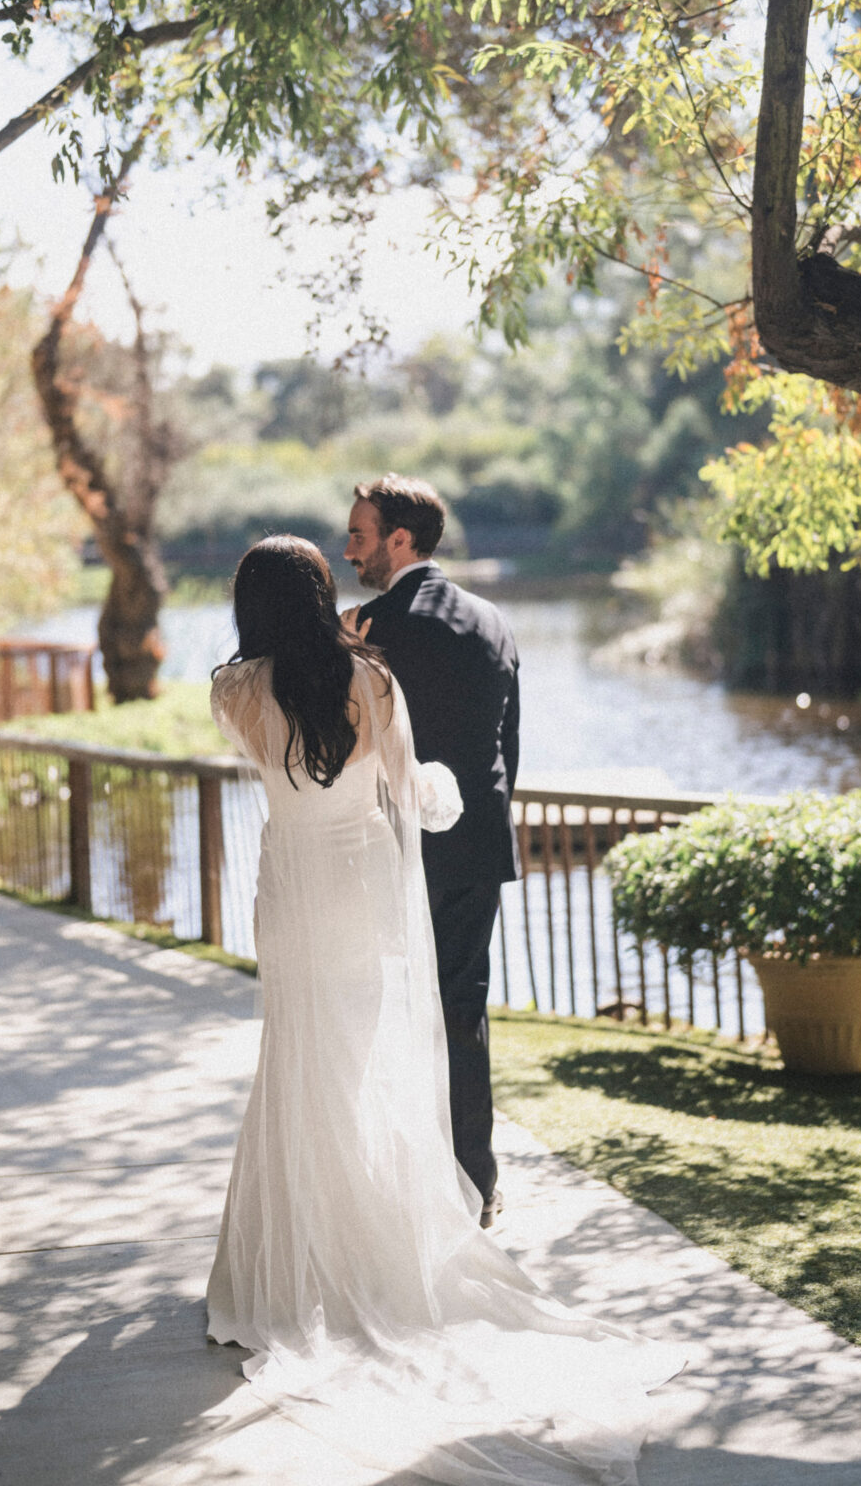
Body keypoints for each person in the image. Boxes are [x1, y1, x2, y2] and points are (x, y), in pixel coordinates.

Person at [206, 534, 685, 1486]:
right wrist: (442, 783)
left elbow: (268, 762)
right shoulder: (373, 679)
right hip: (360, 885)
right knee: (361, 1057)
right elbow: (411, 797)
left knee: (300, 1057)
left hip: (291, 889)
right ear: (321, 593)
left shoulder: (233, 691)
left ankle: (290, 1268)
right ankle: (375, 1251)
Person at [344, 474, 518, 1226]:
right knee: (463, 1008)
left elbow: (348, 750)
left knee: (383, 1009)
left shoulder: (368, 627)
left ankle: (397, 1188)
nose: (347, 549)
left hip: (397, 846)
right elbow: (510, 746)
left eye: (358, 535)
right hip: (479, 839)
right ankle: (474, 1181)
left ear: (400, 540)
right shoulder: (493, 621)